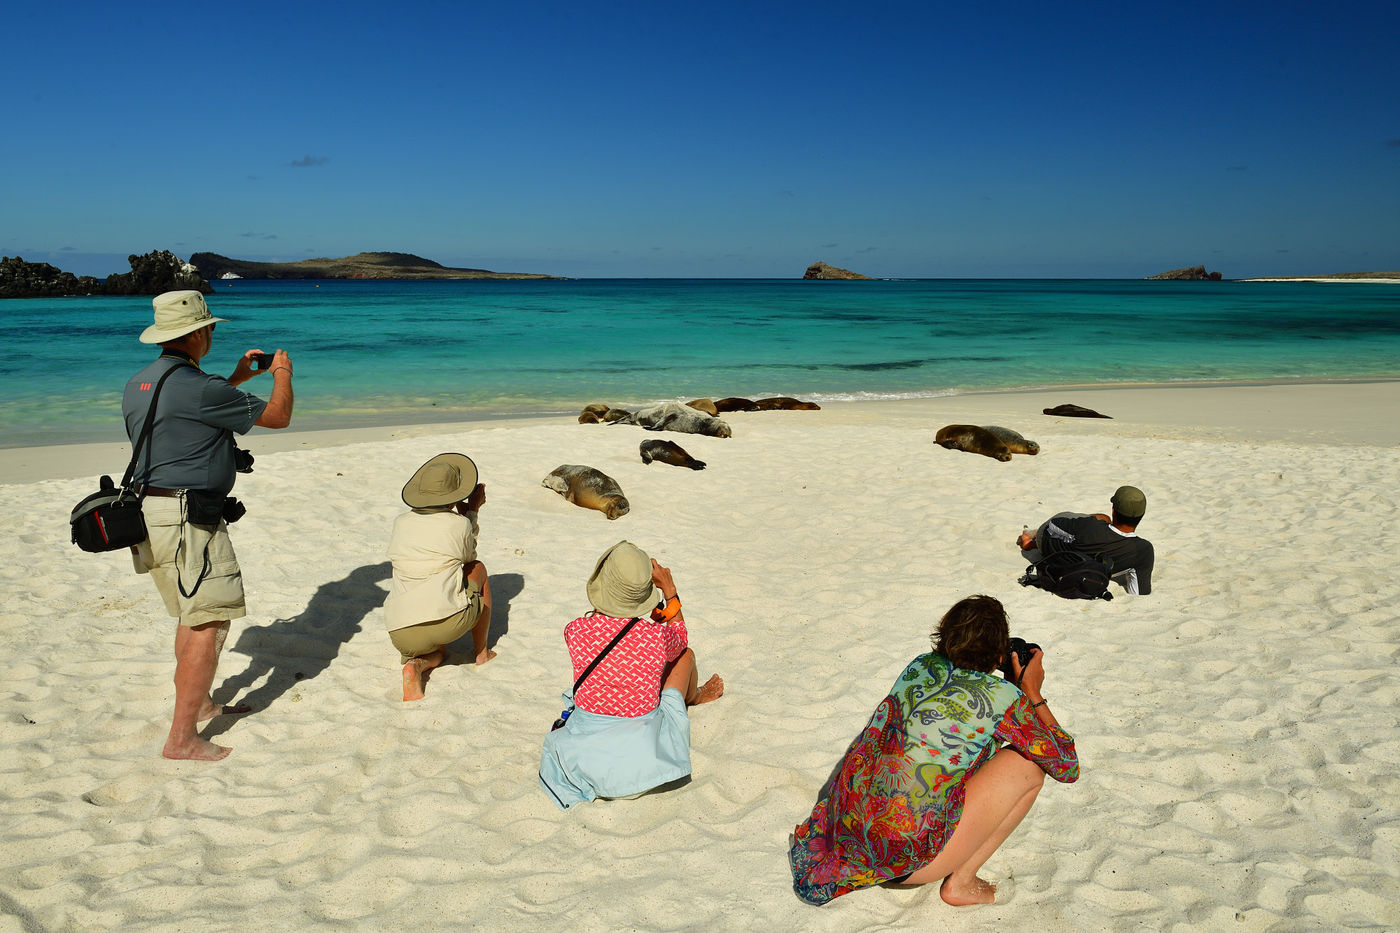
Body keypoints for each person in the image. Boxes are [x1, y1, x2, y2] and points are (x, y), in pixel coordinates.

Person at [789, 595, 1077, 907]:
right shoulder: (1006, 698)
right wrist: (1032, 692)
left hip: (846, 834)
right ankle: (962, 882)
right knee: (1031, 766)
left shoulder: (919, 666)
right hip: (905, 861)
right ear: (998, 653)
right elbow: (1067, 766)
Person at [123, 289, 293, 761]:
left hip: (151, 516)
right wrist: (281, 375)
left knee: (190, 615)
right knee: (206, 622)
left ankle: (199, 707)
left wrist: (240, 377)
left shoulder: (141, 382)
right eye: (211, 328)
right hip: (188, 521)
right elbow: (277, 416)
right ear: (198, 332)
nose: (213, 334)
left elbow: (187, 414)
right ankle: (181, 740)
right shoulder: (202, 388)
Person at [538, 541, 724, 809]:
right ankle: (692, 698)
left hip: (589, 729)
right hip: (641, 739)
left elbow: (615, 642)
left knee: (627, 668)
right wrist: (669, 591)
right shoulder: (656, 638)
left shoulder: (575, 630)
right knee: (685, 655)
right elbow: (680, 638)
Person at [385, 453, 495, 701]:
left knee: (438, 652)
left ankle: (417, 665)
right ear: (453, 495)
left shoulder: (400, 522)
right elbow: (468, 558)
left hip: (400, 630)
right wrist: (472, 513)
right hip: (447, 620)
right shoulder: (458, 524)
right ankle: (482, 653)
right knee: (479, 568)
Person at [1017, 485, 1155, 595]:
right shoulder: (1144, 551)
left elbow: (1053, 525)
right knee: (1101, 522)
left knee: (1102, 518)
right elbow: (1138, 592)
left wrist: (1086, 523)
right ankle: (1031, 540)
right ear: (1141, 516)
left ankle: (1031, 538)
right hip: (1088, 567)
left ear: (1114, 510)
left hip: (1050, 548)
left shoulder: (1090, 527)